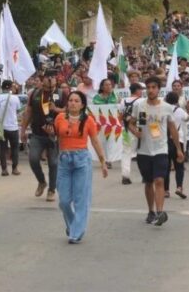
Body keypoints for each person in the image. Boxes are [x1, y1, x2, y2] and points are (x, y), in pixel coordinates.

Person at [52, 91, 109, 243]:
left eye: (77, 101)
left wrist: (103, 162)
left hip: (82, 160)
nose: (73, 103)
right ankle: (73, 224)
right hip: (64, 160)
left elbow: (96, 141)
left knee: (81, 199)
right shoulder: (59, 118)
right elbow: (54, 135)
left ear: (82, 104)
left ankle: (76, 233)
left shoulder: (88, 120)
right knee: (64, 201)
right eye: (70, 100)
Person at [127, 77, 185, 227]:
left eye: (154, 87)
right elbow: (130, 123)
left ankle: (160, 212)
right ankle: (150, 211)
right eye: (148, 87)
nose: (151, 90)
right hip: (144, 150)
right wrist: (135, 132)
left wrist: (179, 150)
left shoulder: (167, 107)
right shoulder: (139, 105)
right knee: (148, 182)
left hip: (161, 149)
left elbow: (173, 129)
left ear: (159, 89)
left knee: (159, 180)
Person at [21, 69, 62, 201]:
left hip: (55, 135)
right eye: (48, 77)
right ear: (42, 79)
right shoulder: (35, 94)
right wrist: (23, 130)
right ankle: (41, 181)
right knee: (33, 159)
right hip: (37, 133)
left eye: (53, 77)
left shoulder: (62, 94)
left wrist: (56, 109)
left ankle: (51, 190)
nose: (50, 79)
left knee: (53, 163)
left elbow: (70, 110)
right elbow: (28, 112)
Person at [0, 80, 22, 176]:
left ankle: (4, 170)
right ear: (10, 87)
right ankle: (15, 169)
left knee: (2, 148)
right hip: (13, 126)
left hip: (1, 127)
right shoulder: (15, 98)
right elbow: (18, 110)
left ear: (2, 87)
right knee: (15, 148)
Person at [163, 91, 189, 199]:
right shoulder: (180, 110)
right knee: (179, 166)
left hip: (165, 141)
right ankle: (179, 187)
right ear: (177, 100)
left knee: (166, 167)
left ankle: (166, 190)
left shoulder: (163, 110)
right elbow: (187, 118)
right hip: (179, 141)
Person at [120, 82, 145, 185]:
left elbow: (121, 115)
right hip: (138, 129)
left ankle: (125, 176)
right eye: (141, 90)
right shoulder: (141, 101)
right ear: (138, 90)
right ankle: (145, 175)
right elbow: (143, 116)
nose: (142, 92)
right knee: (142, 153)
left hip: (125, 130)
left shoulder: (123, 101)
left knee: (126, 152)